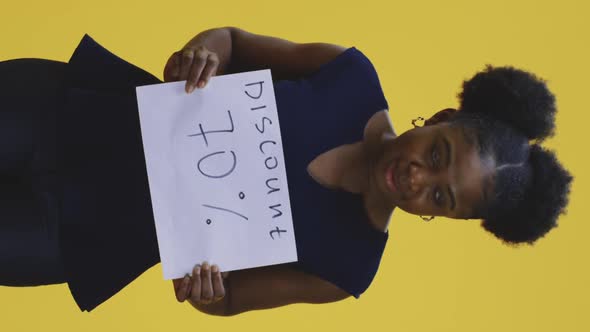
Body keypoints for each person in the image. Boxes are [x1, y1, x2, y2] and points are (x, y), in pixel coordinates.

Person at [0, 27, 572, 315]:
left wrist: (206, 291)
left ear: (445, 218)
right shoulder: (349, 75)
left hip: (86, 231)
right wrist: (204, 56)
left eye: (442, 198)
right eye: (439, 153)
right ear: (444, 118)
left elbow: (226, 301)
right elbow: (233, 41)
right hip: (73, 113)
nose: (418, 179)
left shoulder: (348, 268)